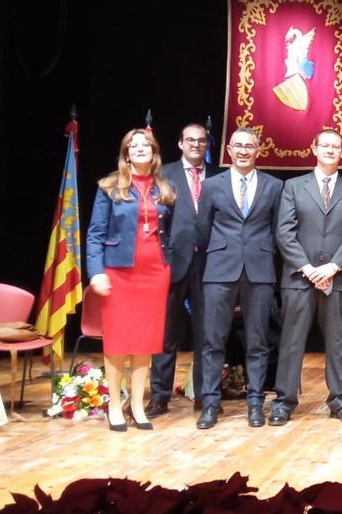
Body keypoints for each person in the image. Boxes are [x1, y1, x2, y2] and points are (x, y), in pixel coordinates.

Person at [86, 128, 177, 432]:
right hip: (119, 273)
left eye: (145, 145)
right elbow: (95, 233)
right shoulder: (109, 187)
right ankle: (114, 403)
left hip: (154, 274)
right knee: (118, 341)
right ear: (126, 153)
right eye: (133, 145)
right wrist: (96, 271)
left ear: (154, 152)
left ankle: (138, 404)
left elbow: (173, 234)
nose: (139, 149)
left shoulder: (165, 188)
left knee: (145, 341)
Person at [275, 129, 342, 425]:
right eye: (324, 145)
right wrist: (307, 267)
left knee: (337, 341)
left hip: (337, 278)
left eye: (335, 146)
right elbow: (284, 232)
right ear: (313, 147)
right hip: (300, 277)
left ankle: (339, 399)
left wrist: (333, 266)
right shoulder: (293, 186)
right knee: (291, 341)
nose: (329, 149)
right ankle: (284, 400)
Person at [194, 127, 283, 429]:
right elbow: (203, 231)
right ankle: (209, 403)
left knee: (257, 341)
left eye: (250, 146)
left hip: (259, 270)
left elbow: (277, 229)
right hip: (220, 268)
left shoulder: (274, 186)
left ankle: (255, 402)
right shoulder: (212, 185)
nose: (244, 151)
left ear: (258, 150)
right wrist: (221, 253)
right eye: (238, 146)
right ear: (229, 151)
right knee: (213, 340)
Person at [148, 123, 220, 418]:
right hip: (172, 265)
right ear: (180, 143)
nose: (196, 145)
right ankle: (160, 397)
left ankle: (205, 397)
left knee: (207, 335)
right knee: (165, 335)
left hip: (210, 265)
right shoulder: (163, 175)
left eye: (201, 141)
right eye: (190, 140)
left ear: (207, 145)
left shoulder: (219, 177)